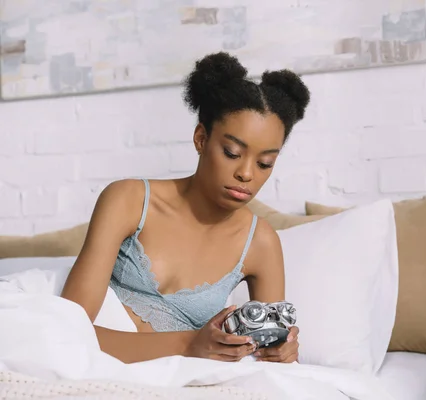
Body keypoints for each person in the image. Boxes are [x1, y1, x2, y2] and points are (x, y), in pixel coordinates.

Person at [60, 52, 310, 365]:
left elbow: (269, 360)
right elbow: (66, 331)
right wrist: (188, 343)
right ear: (201, 138)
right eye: (232, 153)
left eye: (265, 163)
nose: (247, 174)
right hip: (93, 364)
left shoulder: (260, 242)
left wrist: (282, 352)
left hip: (181, 381)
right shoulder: (129, 201)